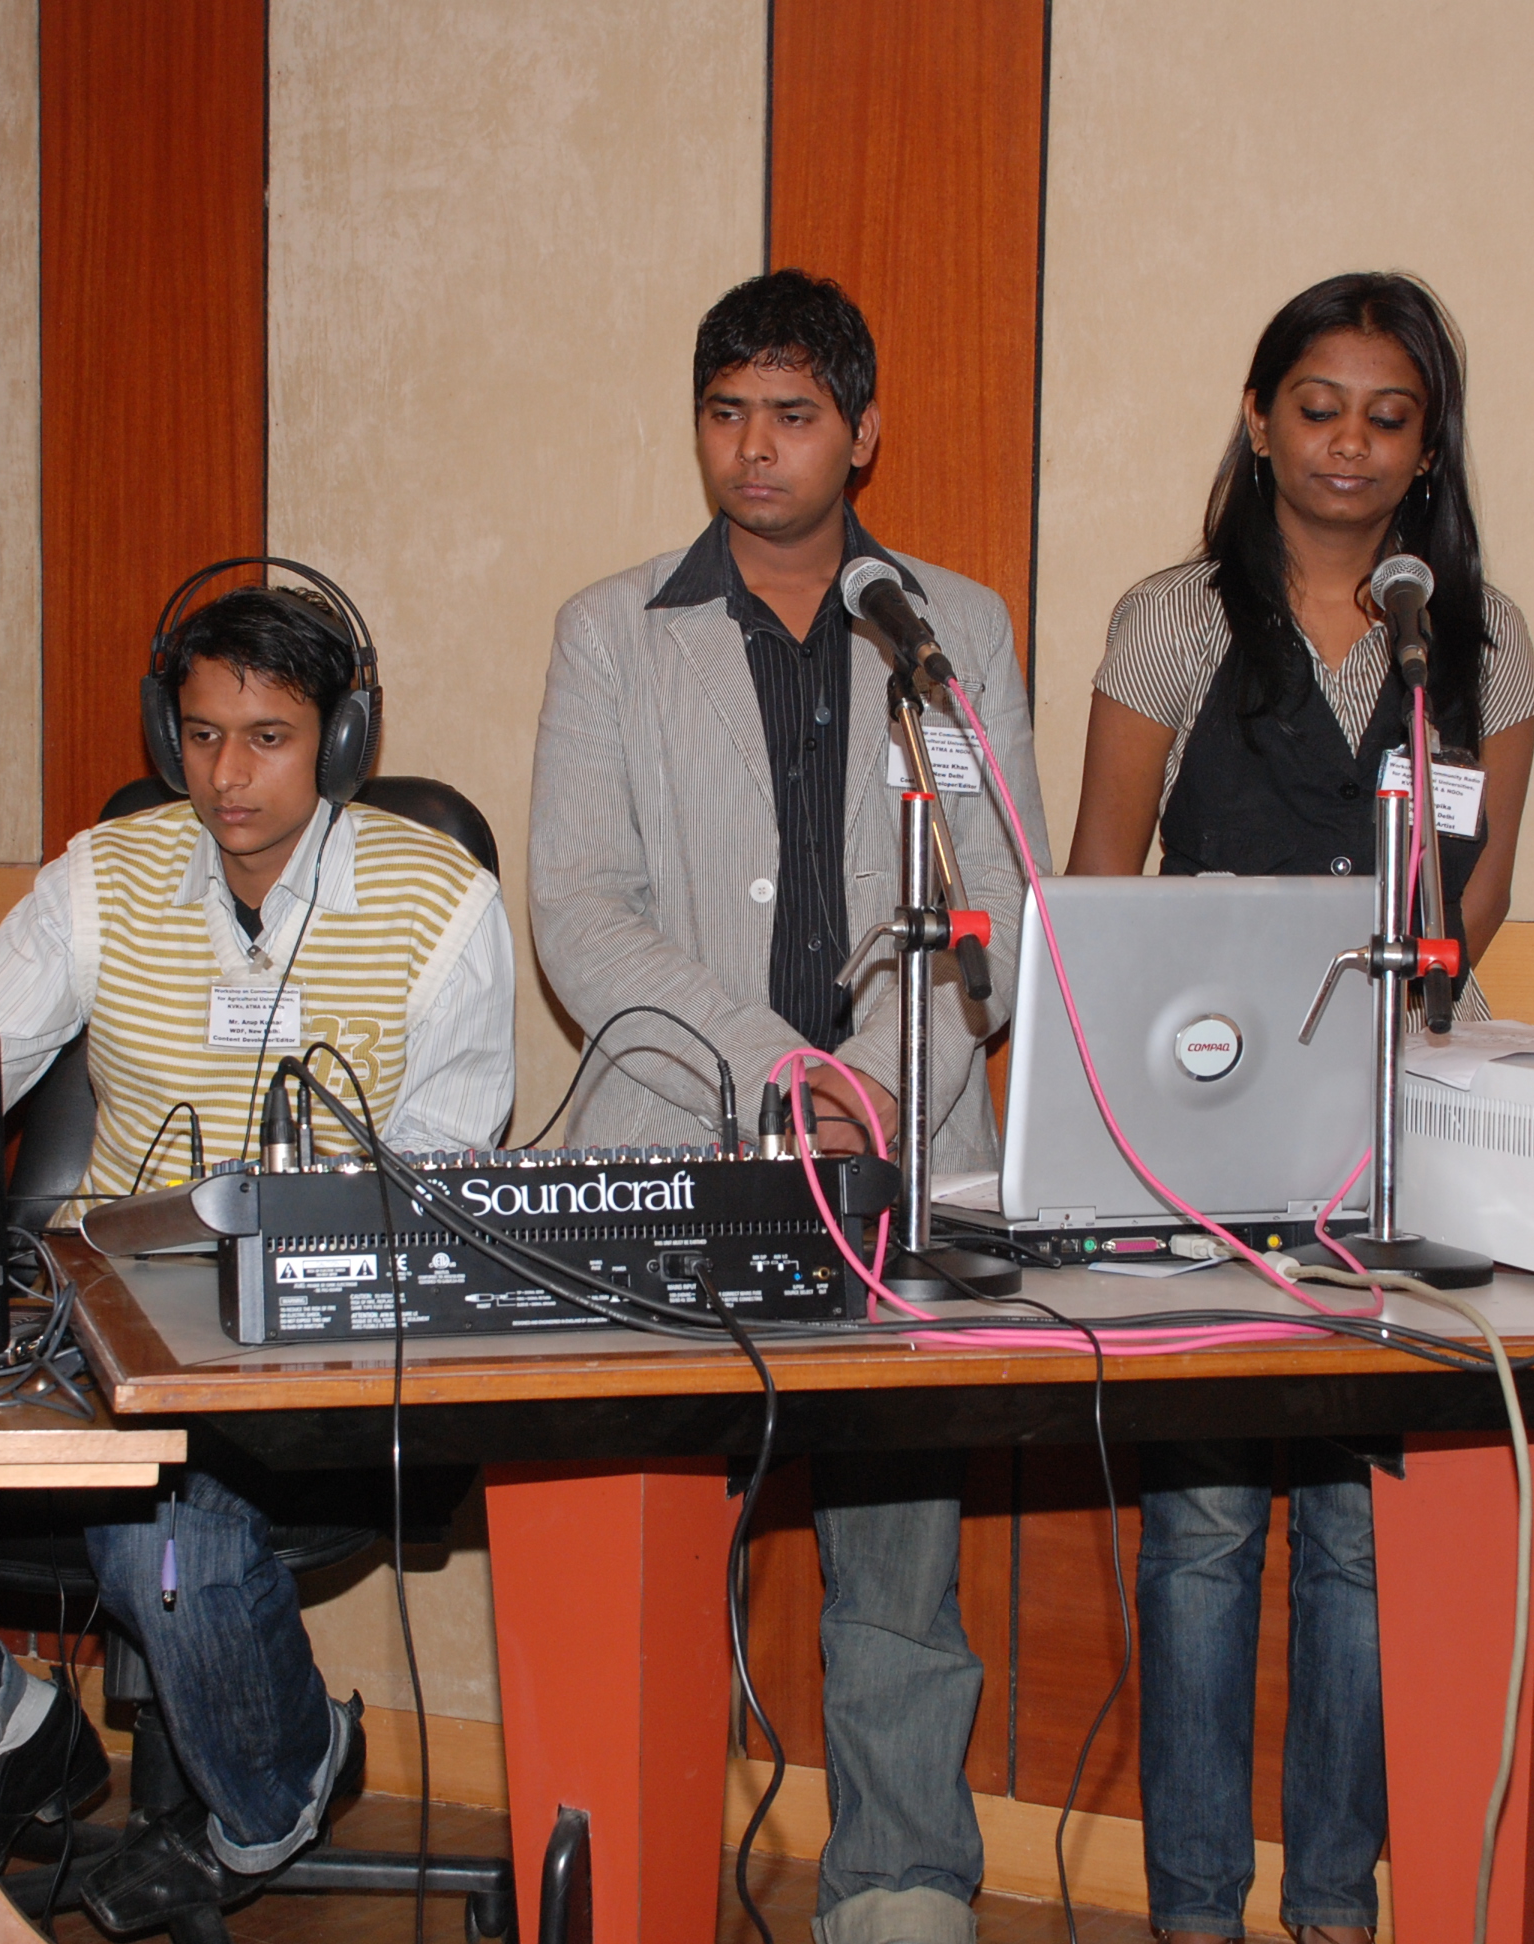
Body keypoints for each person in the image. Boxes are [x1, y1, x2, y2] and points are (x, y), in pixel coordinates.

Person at [528, 269, 1044, 1944]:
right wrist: (780, 1066)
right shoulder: (613, 629)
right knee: (656, 1540)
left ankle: (898, 1881)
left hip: (907, 1149)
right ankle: (645, 1871)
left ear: (864, 433)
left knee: (897, 1557)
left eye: (794, 416)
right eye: (727, 413)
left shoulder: (956, 629)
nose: (755, 451)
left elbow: (1001, 906)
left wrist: (876, 1096)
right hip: (682, 1142)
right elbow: (583, 910)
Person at [0, 581, 516, 1934]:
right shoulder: (103, 879)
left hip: (323, 1351)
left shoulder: (441, 904)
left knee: (159, 1535)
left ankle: (279, 1784)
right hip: (104, 1325)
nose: (226, 777)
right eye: (199, 736)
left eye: (268, 738)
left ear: (341, 743)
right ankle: (0, 1721)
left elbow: (436, 1172)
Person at [1063, 272, 1534, 1944]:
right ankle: (1195, 1909)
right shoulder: (1175, 618)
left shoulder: (1480, 641)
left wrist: (1403, 1025)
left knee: (1358, 1542)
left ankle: (1338, 1906)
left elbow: (1472, 895)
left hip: (1401, 1131)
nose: (1349, 441)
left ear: (1428, 451)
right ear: (1261, 421)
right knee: (1205, 1534)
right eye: (1319, 406)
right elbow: (1104, 886)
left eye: (1389, 415)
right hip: (1206, 1133)